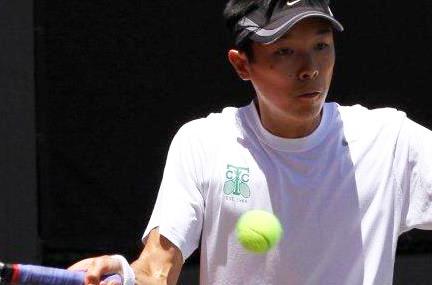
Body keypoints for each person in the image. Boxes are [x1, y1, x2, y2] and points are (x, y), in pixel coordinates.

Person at [69, 0, 432, 284]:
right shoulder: (203, 143)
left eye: (321, 45)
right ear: (242, 65)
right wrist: (124, 276)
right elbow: (156, 270)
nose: (310, 68)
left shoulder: (391, 140)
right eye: (285, 51)